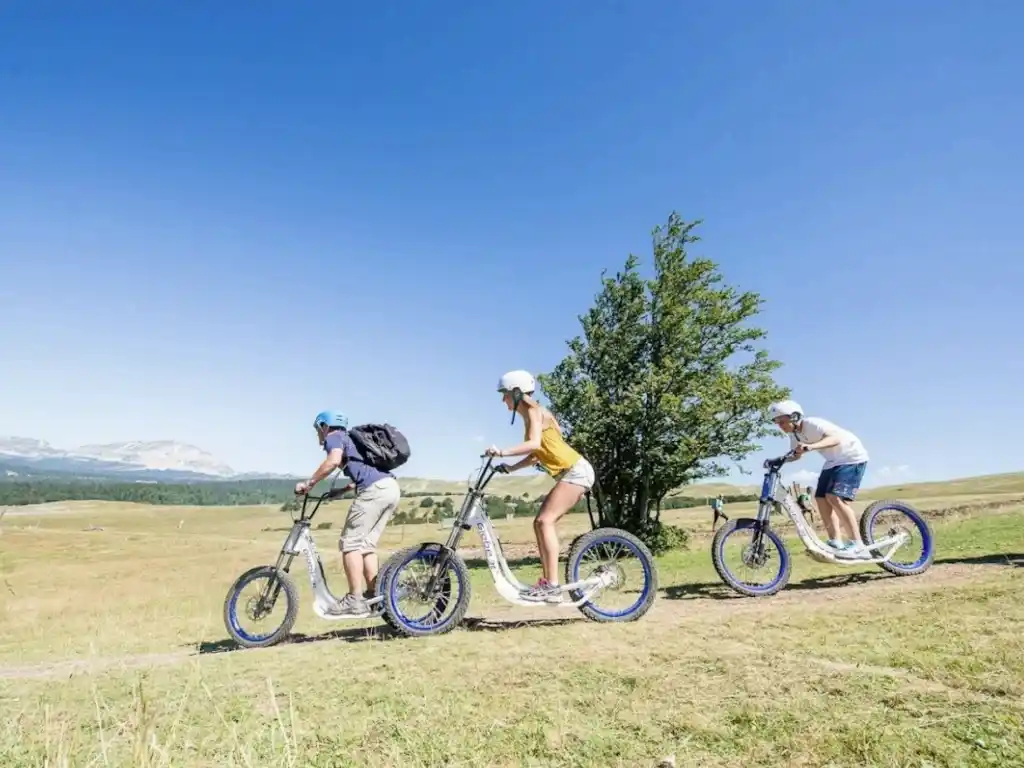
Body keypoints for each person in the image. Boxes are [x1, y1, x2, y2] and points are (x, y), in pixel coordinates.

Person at [485, 370, 596, 603]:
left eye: (504, 394)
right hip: (572, 471)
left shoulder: (535, 411)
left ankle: (553, 587)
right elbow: (536, 454)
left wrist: (501, 451)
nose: (502, 399)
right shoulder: (531, 416)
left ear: (516, 393)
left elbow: (533, 444)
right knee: (539, 523)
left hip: (576, 471)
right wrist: (511, 468)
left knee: (545, 521)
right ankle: (548, 583)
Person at [295, 410, 402, 616]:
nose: (318, 434)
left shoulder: (334, 437)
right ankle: (374, 595)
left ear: (324, 426)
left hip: (374, 491)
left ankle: (355, 599)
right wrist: (343, 490)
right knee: (366, 545)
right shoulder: (353, 440)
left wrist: (310, 484)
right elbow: (363, 472)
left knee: (350, 544)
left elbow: (333, 461)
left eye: (318, 429)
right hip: (390, 488)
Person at [767, 400, 870, 558]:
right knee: (820, 498)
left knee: (834, 497)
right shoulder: (794, 435)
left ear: (794, 417)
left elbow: (835, 439)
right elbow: (795, 454)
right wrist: (779, 460)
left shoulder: (812, 423)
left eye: (782, 421)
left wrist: (811, 447)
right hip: (832, 462)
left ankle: (858, 545)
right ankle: (836, 541)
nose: (780, 425)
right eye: (777, 422)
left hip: (852, 456)